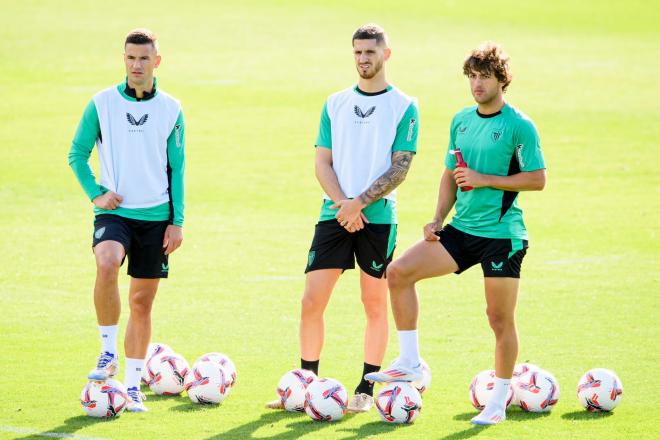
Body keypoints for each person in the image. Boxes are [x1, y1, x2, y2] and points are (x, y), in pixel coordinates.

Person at [365, 42, 546, 425]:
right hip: (461, 230)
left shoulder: (519, 125)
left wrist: (485, 180)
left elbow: (537, 179)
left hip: (502, 235)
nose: (477, 84)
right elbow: (451, 172)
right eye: (473, 77)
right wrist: (436, 218)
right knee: (398, 273)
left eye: (485, 77)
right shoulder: (461, 120)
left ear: (502, 80)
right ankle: (410, 362)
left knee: (499, 319)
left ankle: (497, 401)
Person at [266, 23, 418, 413]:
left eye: (370, 52)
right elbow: (322, 161)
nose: (363, 59)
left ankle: (366, 389)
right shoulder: (334, 103)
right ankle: (305, 387)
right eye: (357, 52)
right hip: (334, 214)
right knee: (311, 301)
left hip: (378, 218)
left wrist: (359, 204)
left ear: (387, 54)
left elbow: (400, 168)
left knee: (374, 304)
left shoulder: (404, 105)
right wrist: (343, 204)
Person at [68, 28, 185, 412]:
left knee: (141, 301)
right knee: (106, 262)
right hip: (114, 212)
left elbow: (177, 168)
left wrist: (176, 221)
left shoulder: (171, 108)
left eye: (144, 58)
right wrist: (96, 192)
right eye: (130, 58)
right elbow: (77, 154)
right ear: (124, 60)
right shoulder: (101, 104)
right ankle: (107, 353)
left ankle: (133, 388)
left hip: (157, 217)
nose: (137, 65)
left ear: (157, 61)